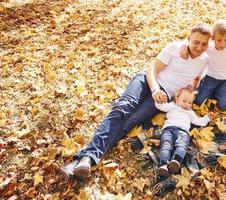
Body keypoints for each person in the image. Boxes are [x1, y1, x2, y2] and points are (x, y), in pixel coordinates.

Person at [60, 24, 212, 181]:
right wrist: (154, 90)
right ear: (188, 39)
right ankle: (88, 157)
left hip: (164, 96)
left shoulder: (205, 60)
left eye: (204, 44)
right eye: (196, 42)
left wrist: (187, 93)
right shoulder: (175, 47)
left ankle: (83, 160)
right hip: (147, 82)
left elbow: (196, 79)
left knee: (131, 121)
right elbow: (151, 70)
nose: (200, 47)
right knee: (122, 109)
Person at [155, 87, 212, 177]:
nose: (187, 104)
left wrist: (207, 118)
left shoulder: (190, 112)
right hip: (168, 129)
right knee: (166, 145)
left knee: (182, 145)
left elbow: (198, 121)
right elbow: (161, 106)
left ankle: (176, 161)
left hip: (182, 132)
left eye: (190, 103)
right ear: (176, 98)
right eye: (184, 101)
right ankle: (163, 165)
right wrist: (158, 99)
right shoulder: (172, 106)